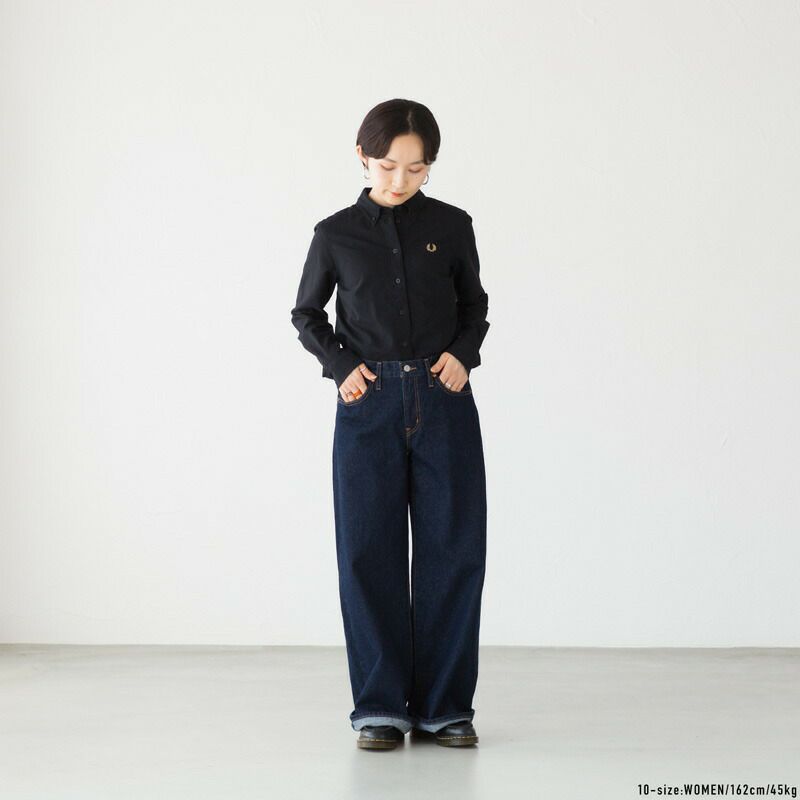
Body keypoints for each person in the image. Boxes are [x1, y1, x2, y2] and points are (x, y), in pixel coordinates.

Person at [290, 98, 490, 750]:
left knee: (453, 551)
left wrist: (462, 355)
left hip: (443, 399)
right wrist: (341, 366)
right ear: (362, 156)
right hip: (368, 404)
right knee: (366, 553)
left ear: (430, 165)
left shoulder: (452, 226)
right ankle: (379, 708)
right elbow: (307, 314)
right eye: (386, 166)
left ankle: (444, 708)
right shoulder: (335, 234)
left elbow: (475, 306)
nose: (399, 180)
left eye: (416, 168)